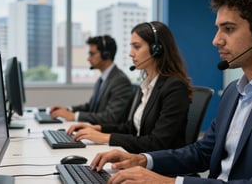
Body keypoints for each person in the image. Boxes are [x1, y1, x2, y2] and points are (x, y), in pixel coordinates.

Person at [89, 0, 252, 183]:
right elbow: (202, 152)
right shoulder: (234, 92)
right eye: (218, 29)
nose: (216, 40)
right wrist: (143, 160)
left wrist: (170, 182)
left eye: (228, 29)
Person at [66, 21, 193, 153]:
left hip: (159, 165)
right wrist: (99, 128)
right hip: (139, 156)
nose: (131, 54)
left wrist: (106, 138)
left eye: (137, 47)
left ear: (157, 49)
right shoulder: (148, 84)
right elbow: (131, 128)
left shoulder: (174, 87)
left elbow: (158, 143)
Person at [50, 35, 134, 124]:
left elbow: (110, 117)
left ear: (106, 55)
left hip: (104, 134)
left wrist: (74, 116)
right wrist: (68, 110)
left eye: (92, 54)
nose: (88, 58)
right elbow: (91, 107)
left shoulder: (120, 81)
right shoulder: (101, 79)